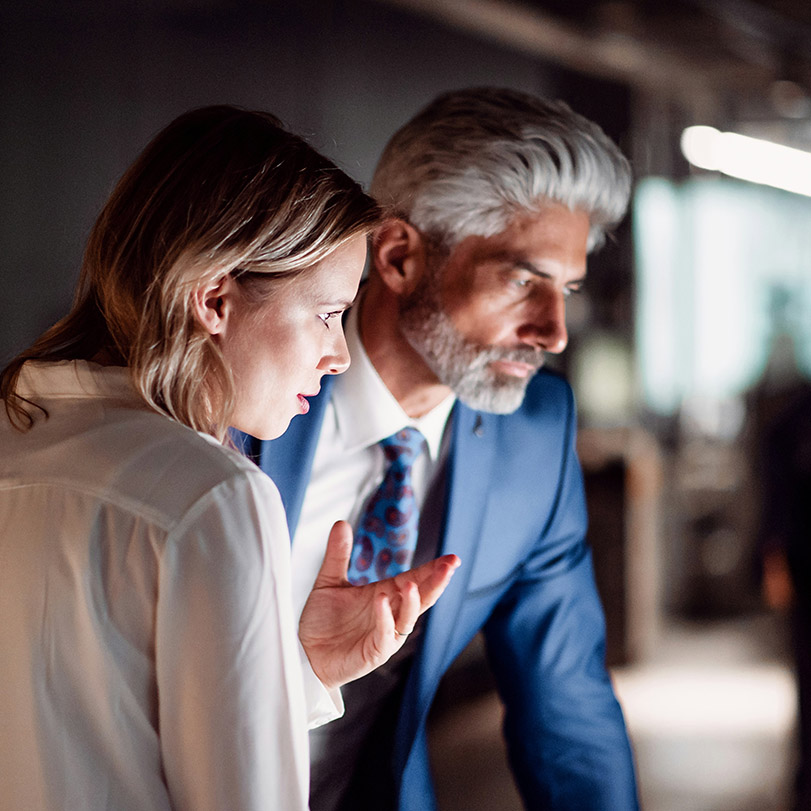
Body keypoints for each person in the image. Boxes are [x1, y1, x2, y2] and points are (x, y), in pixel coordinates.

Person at [0, 105, 459, 811]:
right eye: (328, 313)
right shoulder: (214, 495)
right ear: (215, 298)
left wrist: (293, 670)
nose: (338, 356)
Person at [239, 87, 640, 810]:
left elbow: (567, 707)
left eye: (567, 289)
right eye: (523, 282)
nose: (554, 333)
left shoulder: (534, 433)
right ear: (398, 256)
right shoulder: (239, 387)